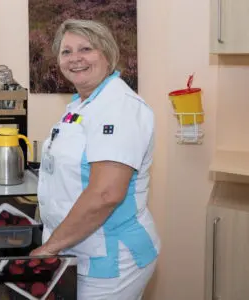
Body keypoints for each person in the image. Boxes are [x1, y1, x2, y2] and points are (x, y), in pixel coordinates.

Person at [30, 19, 160, 299]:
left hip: (110, 255)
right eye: (66, 52)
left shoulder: (119, 107)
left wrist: (50, 248)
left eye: (86, 49)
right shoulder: (81, 105)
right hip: (77, 249)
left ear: (107, 54)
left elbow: (106, 193)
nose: (75, 59)